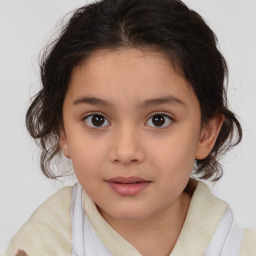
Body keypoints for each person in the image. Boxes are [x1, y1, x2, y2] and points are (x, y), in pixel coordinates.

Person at [5, 0, 256, 255]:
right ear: (63, 131)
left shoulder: (238, 247)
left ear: (206, 133)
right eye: (97, 120)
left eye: (159, 120)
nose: (125, 152)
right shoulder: (43, 244)